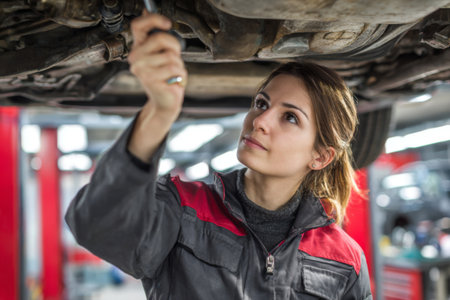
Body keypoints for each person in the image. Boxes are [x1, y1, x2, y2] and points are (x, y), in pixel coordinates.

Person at [65, 11, 372, 300]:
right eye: (262, 104)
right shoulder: (183, 209)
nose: (259, 121)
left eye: (290, 117)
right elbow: (96, 225)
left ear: (320, 157)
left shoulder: (345, 259)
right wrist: (159, 112)